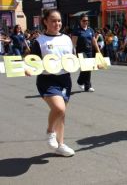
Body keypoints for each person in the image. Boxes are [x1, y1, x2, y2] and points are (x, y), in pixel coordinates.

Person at [26, 9, 75, 157]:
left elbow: (72, 59)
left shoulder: (67, 39)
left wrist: (91, 64)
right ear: (45, 22)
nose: (57, 23)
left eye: (59, 20)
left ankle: (60, 145)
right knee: (59, 109)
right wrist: (28, 68)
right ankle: (50, 131)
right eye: (53, 20)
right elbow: (32, 61)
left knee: (62, 114)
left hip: (65, 79)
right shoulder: (40, 41)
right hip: (47, 80)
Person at [71, 14, 100, 92]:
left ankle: (86, 85)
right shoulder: (77, 31)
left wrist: (98, 51)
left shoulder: (90, 30)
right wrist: (73, 54)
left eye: (87, 21)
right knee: (85, 68)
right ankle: (82, 83)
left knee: (89, 68)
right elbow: (73, 44)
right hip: (81, 52)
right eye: (84, 20)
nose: (85, 22)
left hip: (89, 51)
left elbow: (94, 41)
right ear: (80, 21)